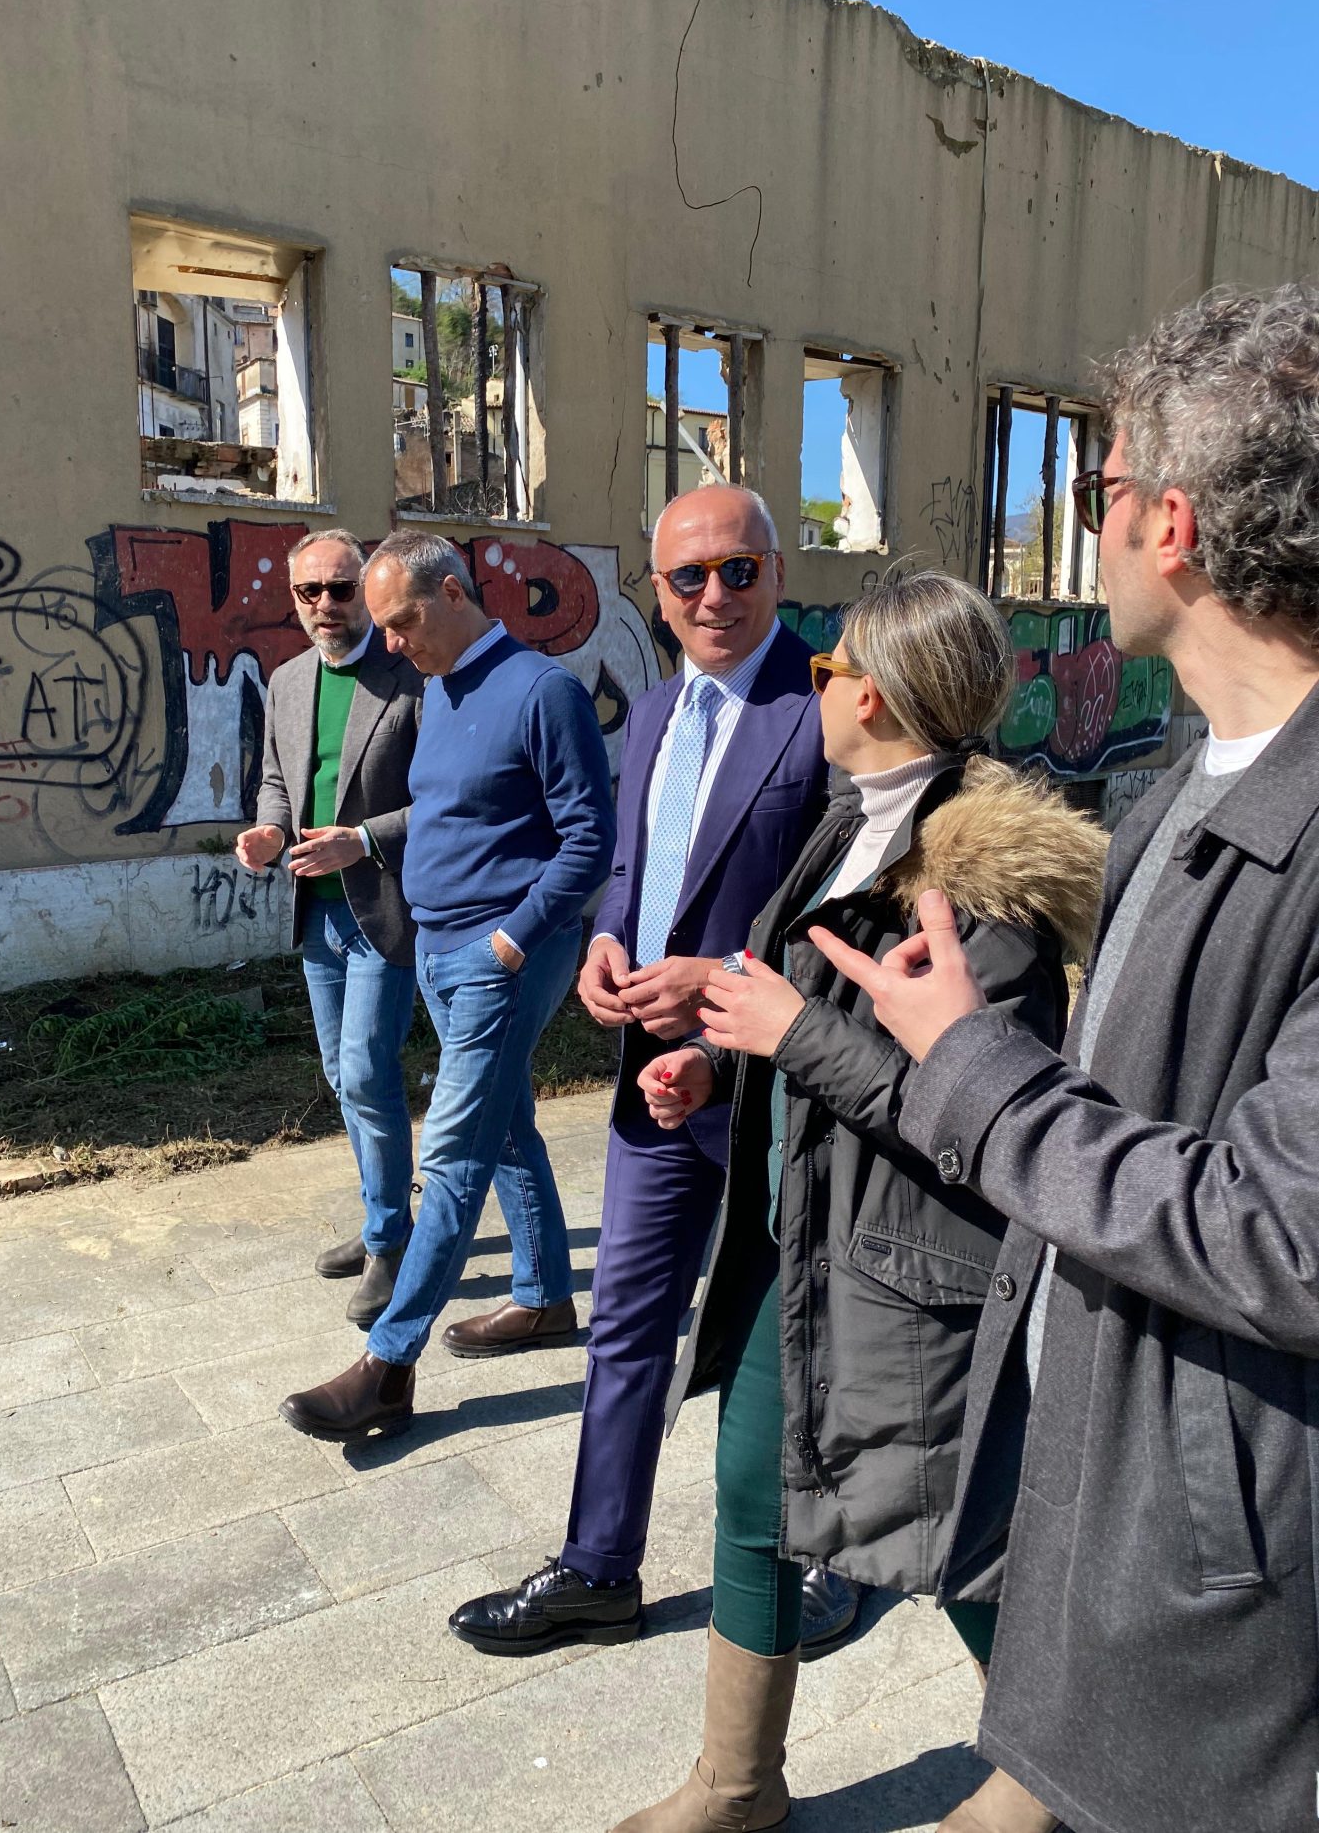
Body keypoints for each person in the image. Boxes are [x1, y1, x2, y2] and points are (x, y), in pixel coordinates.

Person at [811, 286, 1319, 1833]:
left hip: (1223, 1574)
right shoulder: (1177, 789)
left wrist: (968, 1068)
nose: (1086, 527)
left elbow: (1282, 1237)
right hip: (1108, 1479)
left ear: (1171, 523)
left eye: (1096, 488)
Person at [612, 569, 1108, 1833]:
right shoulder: (849, 821)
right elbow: (806, 1013)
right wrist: (716, 1057)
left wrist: (789, 1035)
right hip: (795, 1239)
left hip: (909, 1267)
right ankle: (737, 1784)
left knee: (956, 1537)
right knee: (749, 1498)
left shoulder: (983, 889)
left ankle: (1065, 1784)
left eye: (830, 666)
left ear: (872, 694)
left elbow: (977, 1115)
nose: (816, 683)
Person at [450, 483, 859, 1659]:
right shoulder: (659, 708)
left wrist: (716, 981)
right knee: (626, 1323)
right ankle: (598, 1567)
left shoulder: (826, 706)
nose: (716, 594)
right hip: (655, 1083)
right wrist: (606, 940)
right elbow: (634, 867)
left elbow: (853, 909)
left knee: (799, 1335)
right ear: (659, 591)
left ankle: (820, 1558)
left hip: (782, 1083)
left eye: (740, 569)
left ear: (778, 574)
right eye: (690, 576)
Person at [278, 530, 614, 1443]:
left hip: (500, 958)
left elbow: (590, 840)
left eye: (401, 622)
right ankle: (544, 1296)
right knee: (504, 1125)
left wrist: (514, 940)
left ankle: (387, 1366)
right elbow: (439, 810)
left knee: (454, 1155)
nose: (389, 642)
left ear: (454, 593)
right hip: (436, 948)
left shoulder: (541, 692)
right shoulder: (438, 688)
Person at [236, 529, 422, 1328]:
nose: (324, 605)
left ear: (366, 592)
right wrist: (268, 831)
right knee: (343, 1076)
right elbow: (278, 780)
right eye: (308, 591)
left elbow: (446, 801)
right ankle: (385, 1212)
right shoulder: (285, 681)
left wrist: (365, 839)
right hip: (315, 912)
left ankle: (390, 1241)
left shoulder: (411, 677)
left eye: (340, 589)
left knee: (368, 1072)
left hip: (385, 908)